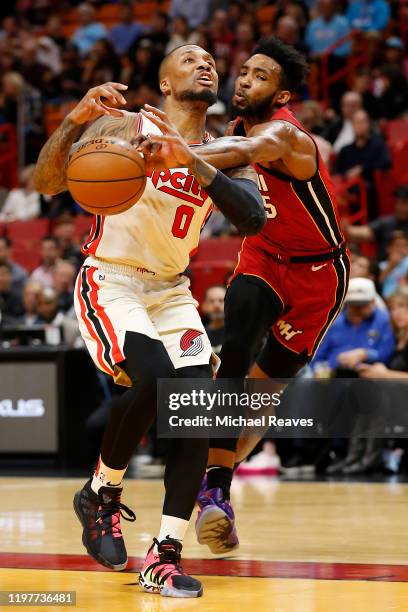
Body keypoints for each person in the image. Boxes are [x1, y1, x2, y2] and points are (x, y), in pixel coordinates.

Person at [34, 45, 265, 598]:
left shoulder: (226, 150)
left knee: (194, 411)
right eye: (189, 58)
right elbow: (46, 183)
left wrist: (189, 158)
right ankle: (101, 493)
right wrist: (73, 122)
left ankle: (163, 556)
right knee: (156, 378)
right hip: (111, 278)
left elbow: (254, 217)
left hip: (171, 290)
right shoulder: (122, 125)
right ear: (163, 82)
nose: (204, 64)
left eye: (210, 59)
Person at [141, 37, 350, 554]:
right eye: (245, 71)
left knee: (259, 396)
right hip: (263, 255)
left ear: (281, 95)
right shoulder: (229, 128)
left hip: (318, 274)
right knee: (233, 347)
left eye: (260, 76)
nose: (244, 80)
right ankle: (217, 492)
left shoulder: (287, 135)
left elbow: (245, 152)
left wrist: (175, 153)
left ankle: (218, 484)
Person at [312, 277, 395, 375]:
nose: (358, 309)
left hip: (369, 377)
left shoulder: (384, 320)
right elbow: (318, 357)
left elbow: (387, 353)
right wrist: (321, 369)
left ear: (373, 302)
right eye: (353, 304)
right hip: (334, 377)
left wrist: (364, 354)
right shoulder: (335, 323)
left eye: (362, 305)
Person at [333, 109, 391, 219]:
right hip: (346, 186)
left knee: (364, 188)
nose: (359, 125)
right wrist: (347, 175)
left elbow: (386, 163)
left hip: (368, 187)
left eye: (362, 122)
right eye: (356, 122)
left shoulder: (378, 144)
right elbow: (337, 171)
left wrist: (362, 169)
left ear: (368, 124)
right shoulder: (345, 150)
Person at [344, 184, 408, 261]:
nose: (398, 207)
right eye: (397, 202)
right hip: (384, 269)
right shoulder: (387, 222)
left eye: (404, 203)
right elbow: (361, 233)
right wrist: (345, 228)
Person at [201, 285, 226, 356]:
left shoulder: (239, 333)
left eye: (221, 300)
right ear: (204, 306)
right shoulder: (198, 336)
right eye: (211, 301)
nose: (216, 305)